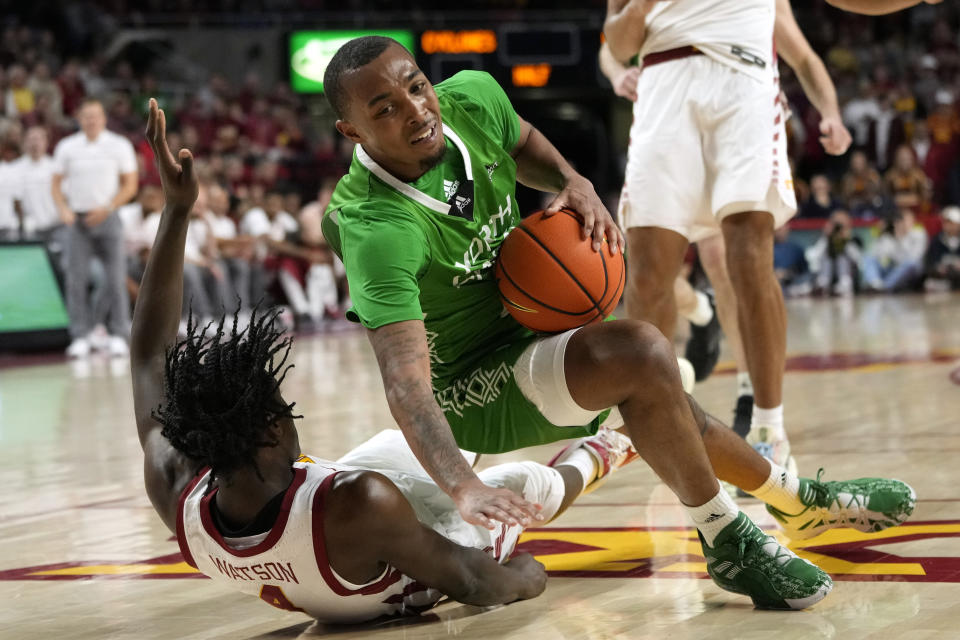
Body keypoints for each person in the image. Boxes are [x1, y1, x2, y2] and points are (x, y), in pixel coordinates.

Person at [320, 36, 915, 610]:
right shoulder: (376, 228)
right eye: (386, 109)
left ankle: (796, 501)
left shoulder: (472, 98)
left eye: (417, 87)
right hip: (472, 385)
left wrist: (571, 182)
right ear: (352, 131)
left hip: (527, 324)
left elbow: (521, 139)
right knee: (641, 353)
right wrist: (463, 485)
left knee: (661, 395)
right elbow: (405, 382)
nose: (417, 110)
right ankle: (727, 537)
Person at [133, 98, 590, 622]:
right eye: (284, 411)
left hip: (335, 522)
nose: (291, 416)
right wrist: (529, 573)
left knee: (412, 440)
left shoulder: (179, 492)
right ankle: (608, 447)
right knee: (529, 486)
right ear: (271, 435)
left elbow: (150, 357)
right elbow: (477, 583)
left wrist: (177, 209)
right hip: (427, 549)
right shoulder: (359, 503)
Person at [603, 0, 852, 471]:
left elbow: (808, 55)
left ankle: (768, 428)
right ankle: (665, 424)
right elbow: (617, 43)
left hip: (744, 73)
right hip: (663, 81)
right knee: (649, 274)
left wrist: (831, 113)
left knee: (745, 259)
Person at [51, 98, 138, 358]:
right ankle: (80, 335)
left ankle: (118, 334)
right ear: (78, 118)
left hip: (108, 217)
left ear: (103, 118)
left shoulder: (119, 145)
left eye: (96, 115)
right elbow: (56, 184)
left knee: (115, 278)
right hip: (77, 220)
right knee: (76, 280)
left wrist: (108, 207)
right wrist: (64, 209)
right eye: (86, 115)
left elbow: (130, 185)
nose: (91, 120)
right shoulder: (67, 146)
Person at [861, 209, 928, 292]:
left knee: (911, 263)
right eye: (900, 220)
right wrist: (882, 234)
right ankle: (875, 284)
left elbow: (914, 258)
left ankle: (884, 288)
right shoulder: (889, 235)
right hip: (893, 268)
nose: (903, 223)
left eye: (907, 220)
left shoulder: (918, 233)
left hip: (911, 270)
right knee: (869, 257)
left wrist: (900, 239)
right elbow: (879, 255)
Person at [808, 209, 863, 296]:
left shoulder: (853, 239)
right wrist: (826, 238)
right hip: (826, 273)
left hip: (846, 275)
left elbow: (858, 258)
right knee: (826, 257)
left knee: (842, 258)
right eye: (836, 224)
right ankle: (823, 285)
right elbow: (814, 256)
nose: (838, 228)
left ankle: (843, 285)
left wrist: (846, 240)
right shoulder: (825, 239)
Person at [923, 205, 960, 290]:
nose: (948, 226)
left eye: (951, 223)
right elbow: (930, 262)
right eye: (946, 222)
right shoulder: (937, 240)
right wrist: (939, 268)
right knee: (929, 283)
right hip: (942, 276)